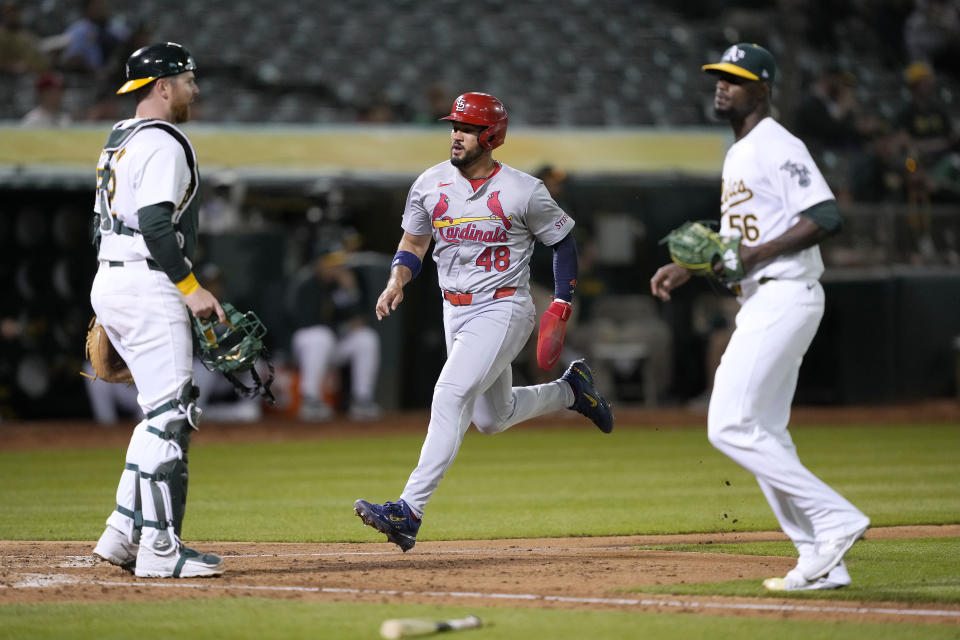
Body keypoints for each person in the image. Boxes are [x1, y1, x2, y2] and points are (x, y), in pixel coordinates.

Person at [650, 44, 870, 592]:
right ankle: (822, 558)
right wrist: (688, 266)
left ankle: (835, 518)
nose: (723, 86)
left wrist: (749, 257)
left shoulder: (775, 142)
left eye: (737, 78)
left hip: (785, 293)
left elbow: (824, 216)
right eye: (720, 77)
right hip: (764, 296)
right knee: (766, 432)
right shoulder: (741, 151)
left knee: (728, 424)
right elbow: (739, 241)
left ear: (764, 88)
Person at [353, 92, 614, 552]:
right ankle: (572, 390)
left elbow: (564, 243)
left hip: (504, 306)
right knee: (493, 417)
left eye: (468, 128)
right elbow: (413, 245)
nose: (457, 134)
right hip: (454, 308)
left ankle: (407, 511)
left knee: (450, 393)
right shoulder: (429, 184)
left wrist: (561, 303)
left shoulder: (523, 190)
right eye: (454, 126)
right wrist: (397, 280)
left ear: (491, 135)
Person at [88, 42, 226, 578]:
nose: (195, 89)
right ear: (163, 86)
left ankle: (121, 533)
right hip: (147, 280)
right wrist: (191, 289)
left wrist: (112, 295)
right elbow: (154, 225)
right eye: (189, 80)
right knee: (172, 416)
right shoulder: (166, 142)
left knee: (156, 413)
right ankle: (161, 551)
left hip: (114, 277)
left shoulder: (118, 139)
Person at [288, 248, 382, 421]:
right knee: (321, 336)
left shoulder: (342, 284)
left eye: (338, 262)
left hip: (333, 342)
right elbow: (309, 322)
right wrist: (343, 325)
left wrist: (350, 291)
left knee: (366, 338)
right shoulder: (307, 284)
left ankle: (362, 400)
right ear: (319, 263)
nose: (337, 267)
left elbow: (360, 319)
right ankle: (310, 400)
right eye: (331, 262)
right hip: (306, 344)